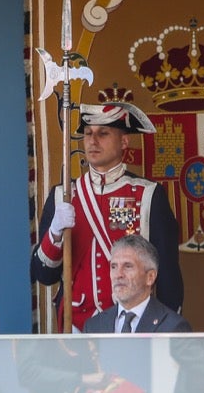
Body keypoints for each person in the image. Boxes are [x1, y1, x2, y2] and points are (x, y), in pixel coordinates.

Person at [31, 101, 183, 330]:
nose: (92, 140)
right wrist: (54, 233)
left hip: (132, 326)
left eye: (103, 133)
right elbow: (44, 275)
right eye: (88, 133)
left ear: (123, 141)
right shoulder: (63, 195)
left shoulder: (148, 194)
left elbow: (168, 274)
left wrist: (165, 329)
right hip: (78, 326)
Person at [83, 234, 191, 334]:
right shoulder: (94, 326)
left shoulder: (173, 327)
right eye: (114, 267)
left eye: (128, 266)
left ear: (150, 277)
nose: (118, 275)